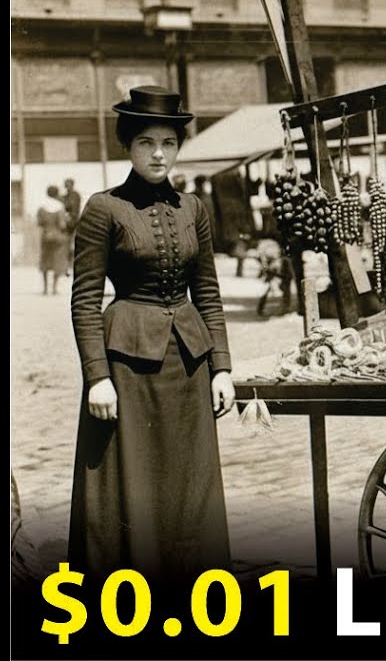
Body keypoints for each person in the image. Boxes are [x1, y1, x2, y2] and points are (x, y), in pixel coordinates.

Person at [69, 85, 236, 584]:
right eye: (146, 142)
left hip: (188, 365)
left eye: (168, 141)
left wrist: (222, 367)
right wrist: (97, 376)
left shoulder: (194, 210)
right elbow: (84, 299)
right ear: (128, 145)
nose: (159, 153)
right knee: (132, 483)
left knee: (190, 487)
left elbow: (207, 292)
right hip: (127, 369)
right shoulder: (104, 208)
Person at [36, 185, 71, 294]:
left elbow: (39, 223)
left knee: (45, 260)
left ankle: (45, 288)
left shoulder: (41, 207)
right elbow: (62, 225)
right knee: (57, 260)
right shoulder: (60, 207)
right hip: (58, 237)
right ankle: (54, 288)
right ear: (56, 194)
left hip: (46, 236)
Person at [63, 177, 82, 272]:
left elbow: (74, 209)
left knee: (74, 245)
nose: (67, 187)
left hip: (74, 223)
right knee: (67, 245)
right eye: (66, 186)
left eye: (69, 185)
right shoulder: (66, 196)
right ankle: (68, 266)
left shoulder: (75, 195)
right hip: (68, 223)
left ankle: (74, 266)